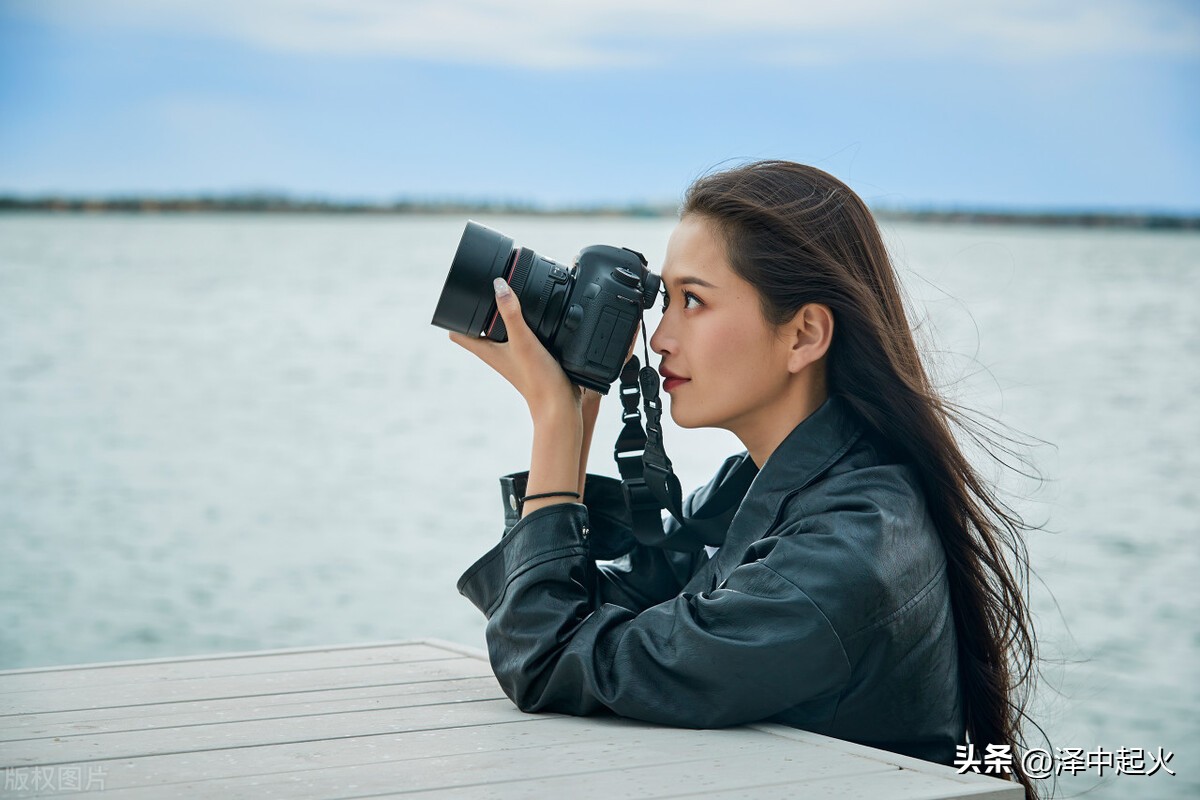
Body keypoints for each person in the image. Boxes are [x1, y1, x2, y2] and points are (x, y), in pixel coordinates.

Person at [448, 160, 1039, 799]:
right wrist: (580, 402)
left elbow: (543, 659)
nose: (660, 339)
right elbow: (589, 613)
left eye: (693, 301)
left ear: (804, 334)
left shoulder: (845, 551)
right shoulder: (778, 482)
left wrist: (553, 420)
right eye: (663, 301)